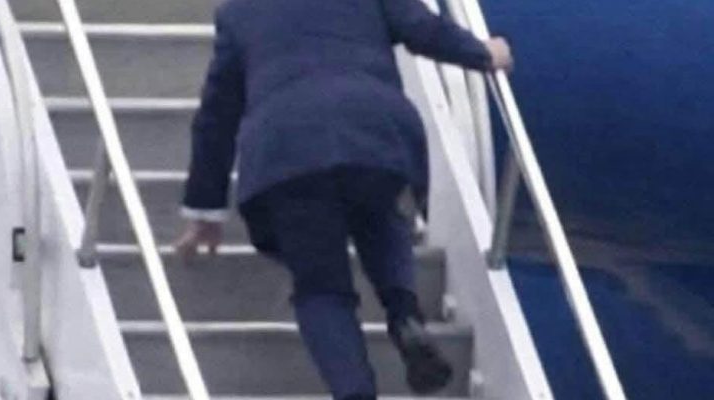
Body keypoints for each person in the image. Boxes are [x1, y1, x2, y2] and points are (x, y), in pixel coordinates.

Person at [175, 0, 513, 398]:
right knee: (382, 213)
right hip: (374, 128)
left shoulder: (239, 11)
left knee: (322, 288)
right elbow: (421, 27)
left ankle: (355, 391)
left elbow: (217, 115)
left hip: (287, 149)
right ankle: (405, 316)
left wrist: (206, 209)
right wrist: (482, 53)